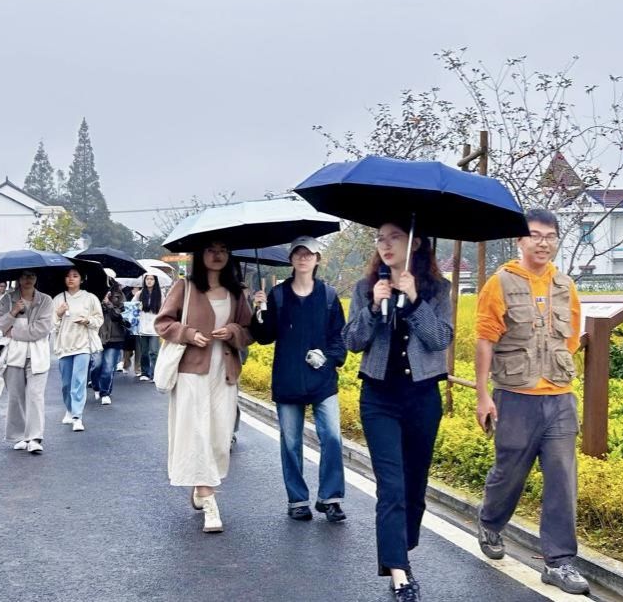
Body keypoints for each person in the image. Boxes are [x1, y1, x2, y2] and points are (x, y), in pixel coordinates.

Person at [474, 209, 589, 595]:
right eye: (535, 235)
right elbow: (485, 341)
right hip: (515, 397)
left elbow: (571, 339)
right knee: (509, 473)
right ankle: (490, 521)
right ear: (520, 240)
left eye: (550, 236)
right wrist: (483, 395)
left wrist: (552, 369)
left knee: (562, 479)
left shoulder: (565, 285)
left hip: (559, 397)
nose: (543, 243)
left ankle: (559, 561)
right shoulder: (500, 283)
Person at [342, 222, 453, 602]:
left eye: (394, 237)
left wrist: (416, 300)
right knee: (391, 487)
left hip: (423, 398)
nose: (385, 245)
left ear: (415, 242)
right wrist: (374, 307)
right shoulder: (366, 287)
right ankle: (399, 573)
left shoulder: (438, 289)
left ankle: (400, 550)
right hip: (379, 398)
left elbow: (440, 340)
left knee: (414, 487)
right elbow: (352, 341)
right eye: (380, 238)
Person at [155, 240, 253, 534]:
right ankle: (210, 502)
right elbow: (163, 323)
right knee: (196, 433)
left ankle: (201, 487)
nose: (217, 254)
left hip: (224, 372)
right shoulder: (184, 287)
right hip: (191, 372)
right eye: (211, 249)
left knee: (220, 436)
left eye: (223, 249)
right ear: (200, 254)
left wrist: (232, 331)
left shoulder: (237, 292)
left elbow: (248, 332)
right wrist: (188, 334)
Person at [250, 236, 347, 523]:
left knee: (332, 437)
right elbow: (265, 337)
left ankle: (330, 498)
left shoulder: (328, 296)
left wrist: (329, 359)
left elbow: (339, 338)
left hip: (323, 380)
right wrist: (259, 311)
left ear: (318, 259)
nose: (303, 258)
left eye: (309, 254)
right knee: (291, 442)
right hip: (288, 378)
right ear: (291, 259)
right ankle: (297, 500)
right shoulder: (278, 295)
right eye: (298, 253)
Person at [0, 271, 54, 454]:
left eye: (32, 276)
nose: (28, 280)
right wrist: (13, 312)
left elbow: (41, 329)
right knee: (16, 397)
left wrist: (14, 332)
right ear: (18, 278)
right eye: (25, 276)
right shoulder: (7, 299)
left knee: (35, 395)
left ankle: (34, 437)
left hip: (38, 354)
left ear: (36, 278)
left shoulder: (45, 300)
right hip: (13, 355)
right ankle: (19, 436)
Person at [52, 267, 104, 432]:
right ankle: (69, 409)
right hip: (64, 346)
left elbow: (99, 319)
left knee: (79, 381)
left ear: (81, 279)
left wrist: (87, 320)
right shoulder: (58, 299)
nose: (71, 279)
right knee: (66, 383)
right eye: (68, 276)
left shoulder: (90, 298)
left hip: (83, 345)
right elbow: (52, 326)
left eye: (75, 276)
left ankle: (77, 417)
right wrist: (58, 314)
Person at [91, 285, 127, 405]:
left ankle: (105, 393)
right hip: (97, 336)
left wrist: (108, 303)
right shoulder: (92, 295)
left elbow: (120, 316)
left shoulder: (119, 295)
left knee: (108, 367)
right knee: (96, 365)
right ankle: (96, 386)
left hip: (115, 336)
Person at [134, 273, 162, 381]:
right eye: (147, 279)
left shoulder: (160, 294)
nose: (149, 281)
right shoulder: (139, 294)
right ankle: (145, 372)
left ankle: (155, 374)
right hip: (143, 327)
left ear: (155, 281)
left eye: (152, 279)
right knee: (144, 352)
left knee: (154, 352)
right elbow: (131, 307)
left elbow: (165, 309)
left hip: (155, 327)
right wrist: (138, 307)